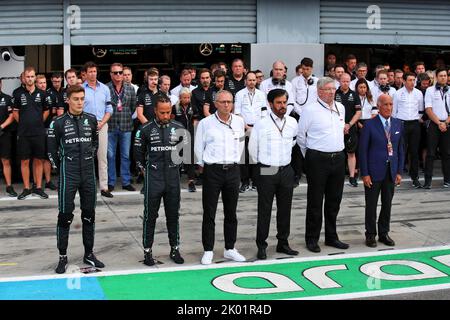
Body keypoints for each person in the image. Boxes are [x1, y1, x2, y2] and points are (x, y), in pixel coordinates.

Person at [47, 85, 104, 274]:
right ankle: (62, 256)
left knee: (89, 214)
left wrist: (87, 158)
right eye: (76, 99)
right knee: (65, 215)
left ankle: (89, 253)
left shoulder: (91, 119)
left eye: (82, 99)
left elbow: (95, 144)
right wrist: (61, 166)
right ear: (68, 100)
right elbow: (51, 151)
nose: (80, 102)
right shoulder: (58, 122)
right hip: (68, 172)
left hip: (88, 172)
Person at [134, 94, 188, 266]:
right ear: (155, 111)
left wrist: (177, 167)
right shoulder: (145, 129)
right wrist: (146, 172)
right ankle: (148, 251)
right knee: (150, 216)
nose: (165, 116)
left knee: (173, 216)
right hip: (154, 178)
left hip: (172, 178)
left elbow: (184, 152)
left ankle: (175, 248)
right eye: (162, 113)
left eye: (168, 112)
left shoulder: (178, 127)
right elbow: (137, 155)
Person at [297, 77, 349, 253]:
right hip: (317, 159)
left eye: (333, 89)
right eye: (328, 89)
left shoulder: (340, 107)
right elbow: (301, 137)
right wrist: (311, 157)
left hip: (338, 158)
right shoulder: (309, 110)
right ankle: (312, 239)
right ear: (319, 91)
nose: (332, 92)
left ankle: (331, 237)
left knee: (334, 201)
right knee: (315, 202)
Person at [194, 90, 246, 265]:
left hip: (232, 171)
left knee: (231, 212)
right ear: (215, 104)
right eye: (223, 102)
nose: (226, 105)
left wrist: (235, 162)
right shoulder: (205, 123)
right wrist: (203, 165)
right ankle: (208, 249)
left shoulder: (239, 121)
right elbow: (198, 146)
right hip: (213, 171)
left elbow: (240, 144)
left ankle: (230, 249)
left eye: (229, 102)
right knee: (209, 212)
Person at [248, 89, 299, 260]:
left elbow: (293, 142)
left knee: (285, 210)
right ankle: (261, 245)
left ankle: (283, 243)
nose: (282, 105)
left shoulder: (292, 122)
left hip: (286, 169)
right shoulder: (261, 123)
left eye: (284, 102)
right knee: (265, 209)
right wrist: (264, 165)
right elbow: (252, 149)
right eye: (278, 102)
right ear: (270, 104)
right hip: (267, 169)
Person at [359, 94, 404, 248]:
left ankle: (384, 233)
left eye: (391, 104)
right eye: (385, 104)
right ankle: (370, 234)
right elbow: (362, 151)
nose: (389, 107)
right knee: (371, 205)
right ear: (378, 106)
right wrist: (365, 173)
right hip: (373, 172)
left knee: (387, 204)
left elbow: (400, 150)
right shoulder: (369, 125)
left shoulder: (398, 124)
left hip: (391, 171)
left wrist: (399, 172)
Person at [12, 66, 51, 200]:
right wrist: (23, 123)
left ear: (35, 78)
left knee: (39, 160)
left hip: (39, 132)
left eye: (32, 76)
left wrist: (39, 121)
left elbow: (47, 110)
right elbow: (15, 112)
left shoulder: (42, 94)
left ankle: (39, 187)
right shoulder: (17, 94)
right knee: (24, 161)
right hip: (23, 133)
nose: (30, 79)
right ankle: (27, 188)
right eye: (27, 76)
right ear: (24, 78)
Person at [82, 61, 114, 198]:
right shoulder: (80, 89)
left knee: (102, 157)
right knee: (86, 157)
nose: (93, 74)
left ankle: (104, 187)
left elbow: (109, 109)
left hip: (102, 125)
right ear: (85, 73)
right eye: (90, 71)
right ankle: (87, 186)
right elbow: (78, 108)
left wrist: (102, 123)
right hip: (85, 127)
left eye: (94, 71)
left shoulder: (105, 89)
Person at [234, 71, 267, 192]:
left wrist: (258, 127)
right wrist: (247, 127)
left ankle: (256, 181)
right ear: (245, 81)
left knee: (256, 155)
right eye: (250, 80)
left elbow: (264, 112)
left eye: (254, 80)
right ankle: (245, 181)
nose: (252, 82)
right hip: (244, 128)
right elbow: (237, 113)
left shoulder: (261, 94)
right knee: (245, 156)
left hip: (258, 128)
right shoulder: (239, 94)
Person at [106, 63, 137, 193]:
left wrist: (124, 115)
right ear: (111, 74)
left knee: (125, 155)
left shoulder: (130, 88)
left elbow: (133, 106)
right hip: (111, 126)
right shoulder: (106, 88)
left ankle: (126, 181)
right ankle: (111, 182)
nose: (118, 75)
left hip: (126, 125)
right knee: (110, 155)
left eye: (120, 72)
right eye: (115, 73)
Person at [392, 72, 424, 188]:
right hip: (401, 124)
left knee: (414, 152)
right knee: (400, 151)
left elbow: (421, 110)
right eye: (410, 80)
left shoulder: (419, 93)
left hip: (415, 124)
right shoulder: (397, 94)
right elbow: (393, 111)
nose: (412, 82)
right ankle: (396, 175)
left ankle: (415, 177)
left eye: (413, 80)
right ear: (404, 81)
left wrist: (416, 119)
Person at [423, 68, 450, 188]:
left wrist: (445, 123)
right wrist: (439, 123)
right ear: (436, 77)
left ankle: (447, 180)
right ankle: (428, 181)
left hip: (447, 124)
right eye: (441, 75)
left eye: (445, 75)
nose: (443, 77)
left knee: (447, 154)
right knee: (431, 154)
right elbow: (428, 109)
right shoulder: (430, 90)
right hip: (434, 124)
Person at [335, 73, 362, 187]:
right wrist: (341, 126)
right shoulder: (334, 93)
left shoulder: (354, 95)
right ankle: (338, 176)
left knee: (351, 153)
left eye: (347, 81)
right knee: (338, 153)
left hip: (350, 128)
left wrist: (349, 125)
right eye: (343, 81)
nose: (345, 83)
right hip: (336, 129)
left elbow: (358, 112)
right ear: (339, 81)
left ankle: (352, 177)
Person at [172, 87, 200, 192]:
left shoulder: (193, 107)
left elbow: (196, 120)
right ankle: (174, 181)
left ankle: (191, 182)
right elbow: (171, 121)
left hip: (190, 135)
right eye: (184, 97)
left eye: (188, 97)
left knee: (190, 159)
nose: (187, 99)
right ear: (180, 97)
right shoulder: (175, 108)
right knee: (176, 158)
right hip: (178, 136)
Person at [35, 74, 58, 191]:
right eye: (40, 83)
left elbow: (54, 111)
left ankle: (48, 181)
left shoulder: (51, 95)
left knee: (48, 156)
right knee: (37, 157)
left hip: (48, 129)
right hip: (35, 131)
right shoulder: (32, 96)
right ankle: (36, 182)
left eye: (44, 82)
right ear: (36, 84)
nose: (43, 85)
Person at [0, 78, 17, 197]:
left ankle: (9, 186)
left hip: (4, 133)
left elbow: (12, 116)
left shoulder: (7, 98)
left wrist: (1, 127)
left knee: (6, 160)